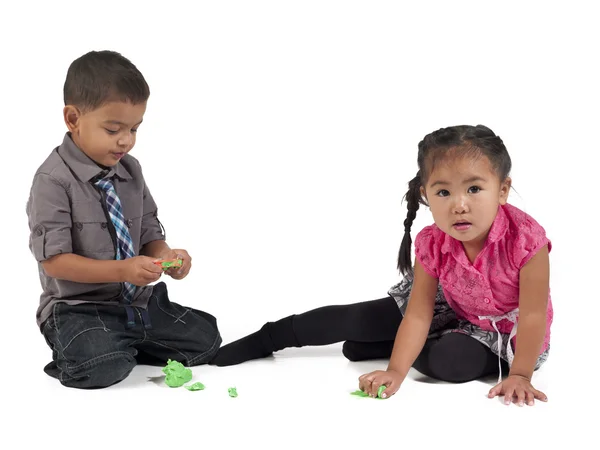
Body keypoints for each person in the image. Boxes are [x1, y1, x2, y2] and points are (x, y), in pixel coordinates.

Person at [210, 124, 552, 406]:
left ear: (502, 190)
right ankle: (269, 337)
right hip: (451, 303)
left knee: (446, 361)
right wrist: (395, 372)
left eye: (475, 189)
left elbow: (533, 314)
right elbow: (419, 312)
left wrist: (520, 374)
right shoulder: (433, 242)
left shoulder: (526, 241)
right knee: (355, 318)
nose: (459, 206)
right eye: (444, 193)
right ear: (425, 194)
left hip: (504, 332)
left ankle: (386, 344)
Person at [26, 50, 221, 389]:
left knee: (207, 339)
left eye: (134, 128)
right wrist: (123, 270)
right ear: (73, 119)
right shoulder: (53, 181)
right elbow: (55, 262)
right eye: (113, 128)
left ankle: (121, 339)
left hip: (134, 301)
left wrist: (165, 257)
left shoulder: (131, 170)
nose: (126, 140)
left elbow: (148, 232)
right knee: (101, 368)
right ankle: (95, 347)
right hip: (78, 308)